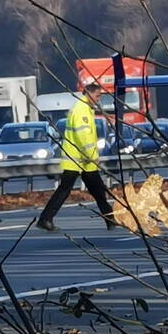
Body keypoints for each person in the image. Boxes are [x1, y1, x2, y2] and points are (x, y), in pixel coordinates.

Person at [36, 83, 115, 231]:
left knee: (97, 189)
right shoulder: (82, 110)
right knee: (68, 190)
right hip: (79, 159)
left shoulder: (85, 108)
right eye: (97, 96)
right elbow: (83, 135)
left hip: (81, 159)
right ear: (89, 94)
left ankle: (110, 219)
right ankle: (45, 219)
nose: (98, 100)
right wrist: (91, 155)